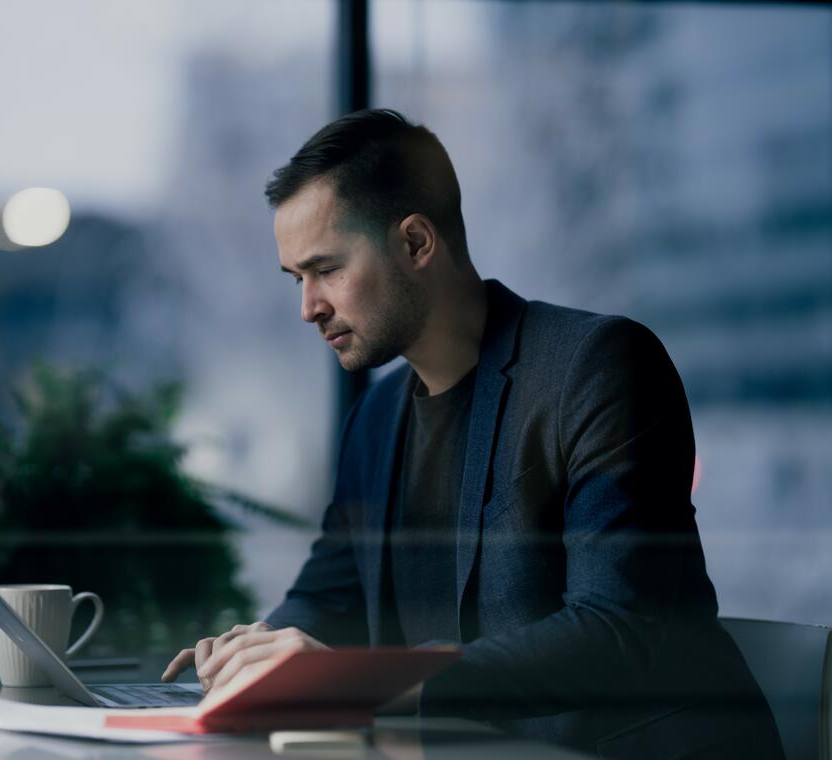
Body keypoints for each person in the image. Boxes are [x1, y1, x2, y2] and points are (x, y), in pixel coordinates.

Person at [161, 109, 782, 759]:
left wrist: (358, 682)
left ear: (416, 244)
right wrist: (255, 655)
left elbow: (618, 627)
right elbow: (327, 595)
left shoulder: (598, 365)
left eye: (327, 269)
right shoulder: (375, 420)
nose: (308, 307)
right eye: (298, 279)